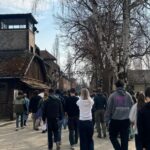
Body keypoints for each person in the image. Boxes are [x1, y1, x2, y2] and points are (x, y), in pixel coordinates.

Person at [105, 80, 133, 150]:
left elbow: (108, 109)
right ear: (123, 86)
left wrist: (106, 120)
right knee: (125, 139)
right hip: (126, 120)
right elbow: (132, 107)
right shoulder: (128, 95)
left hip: (115, 120)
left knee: (112, 136)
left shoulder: (112, 96)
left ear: (116, 86)